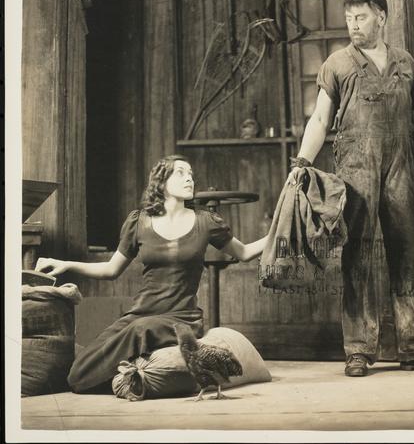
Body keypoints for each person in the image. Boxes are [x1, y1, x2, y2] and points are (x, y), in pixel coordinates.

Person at [287, 0, 414, 377]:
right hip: (355, 167)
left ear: (381, 16)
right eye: (349, 19)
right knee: (357, 255)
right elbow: (320, 119)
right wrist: (302, 162)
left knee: (408, 254)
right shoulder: (337, 64)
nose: (353, 25)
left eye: (360, 17)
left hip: (400, 166)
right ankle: (358, 350)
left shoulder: (405, 63)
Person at [36, 154, 267, 393]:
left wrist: (281, 232)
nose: (189, 178)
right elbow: (111, 269)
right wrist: (66, 264)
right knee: (79, 371)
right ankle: (130, 373)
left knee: (138, 330)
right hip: (141, 312)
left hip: (182, 319)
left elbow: (244, 252)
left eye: (191, 174)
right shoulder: (139, 222)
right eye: (180, 173)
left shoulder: (206, 221)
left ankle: (136, 377)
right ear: (161, 182)